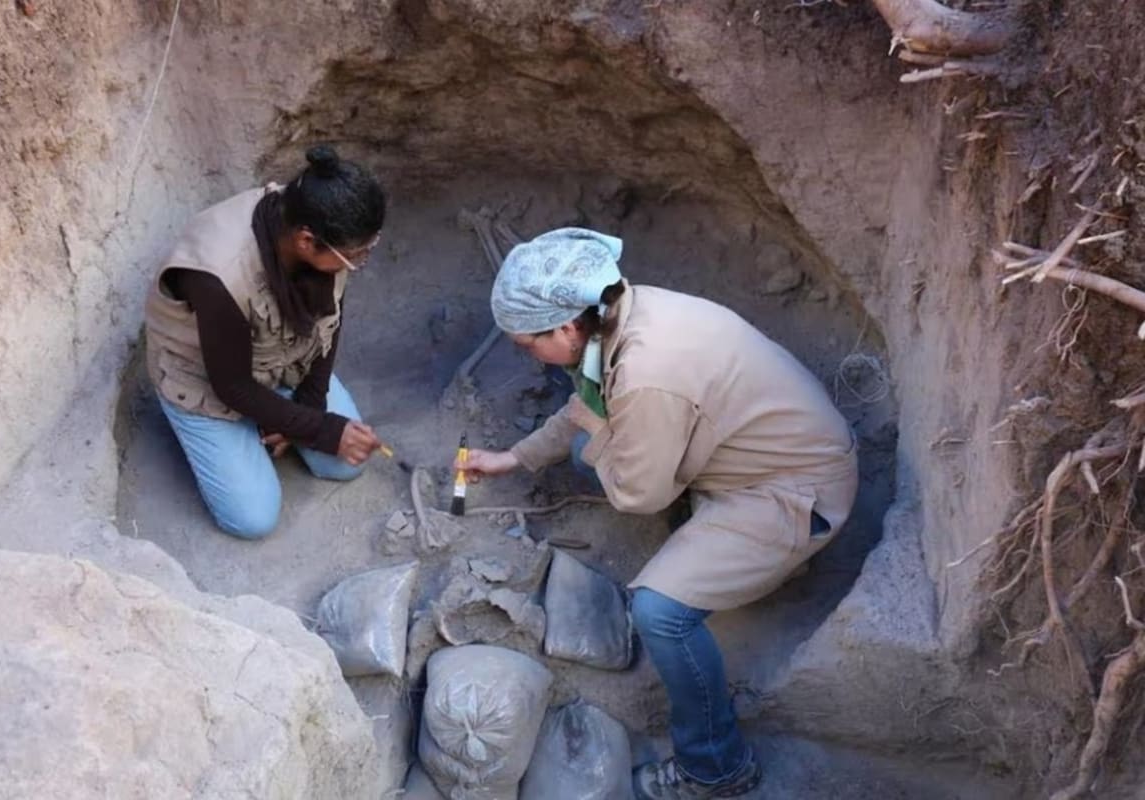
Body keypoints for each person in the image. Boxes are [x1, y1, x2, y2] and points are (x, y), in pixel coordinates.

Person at [458, 228, 858, 799]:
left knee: (659, 613)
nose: (527, 354)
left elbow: (636, 495)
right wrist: (514, 458)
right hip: (761, 453)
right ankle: (737, 557)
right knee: (585, 448)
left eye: (527, 343)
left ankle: (717, 769)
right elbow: (589, 405)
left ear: (567, 327)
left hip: (792, 493)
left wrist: (601, 434)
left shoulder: (646, 377)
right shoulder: (621, 310)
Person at [143, 145, 386, 539]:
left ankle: (269, 422)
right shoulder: (220, 275)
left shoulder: (321, 228)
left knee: (346, 464)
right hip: (206, 381)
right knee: (253, 518)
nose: (360, 262)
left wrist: (307, 408)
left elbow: (331, 320)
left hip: (280, 357)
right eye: (357, 254)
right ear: (307, 241)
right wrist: (319, 429)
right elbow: (231, 385)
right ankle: (193, 425)